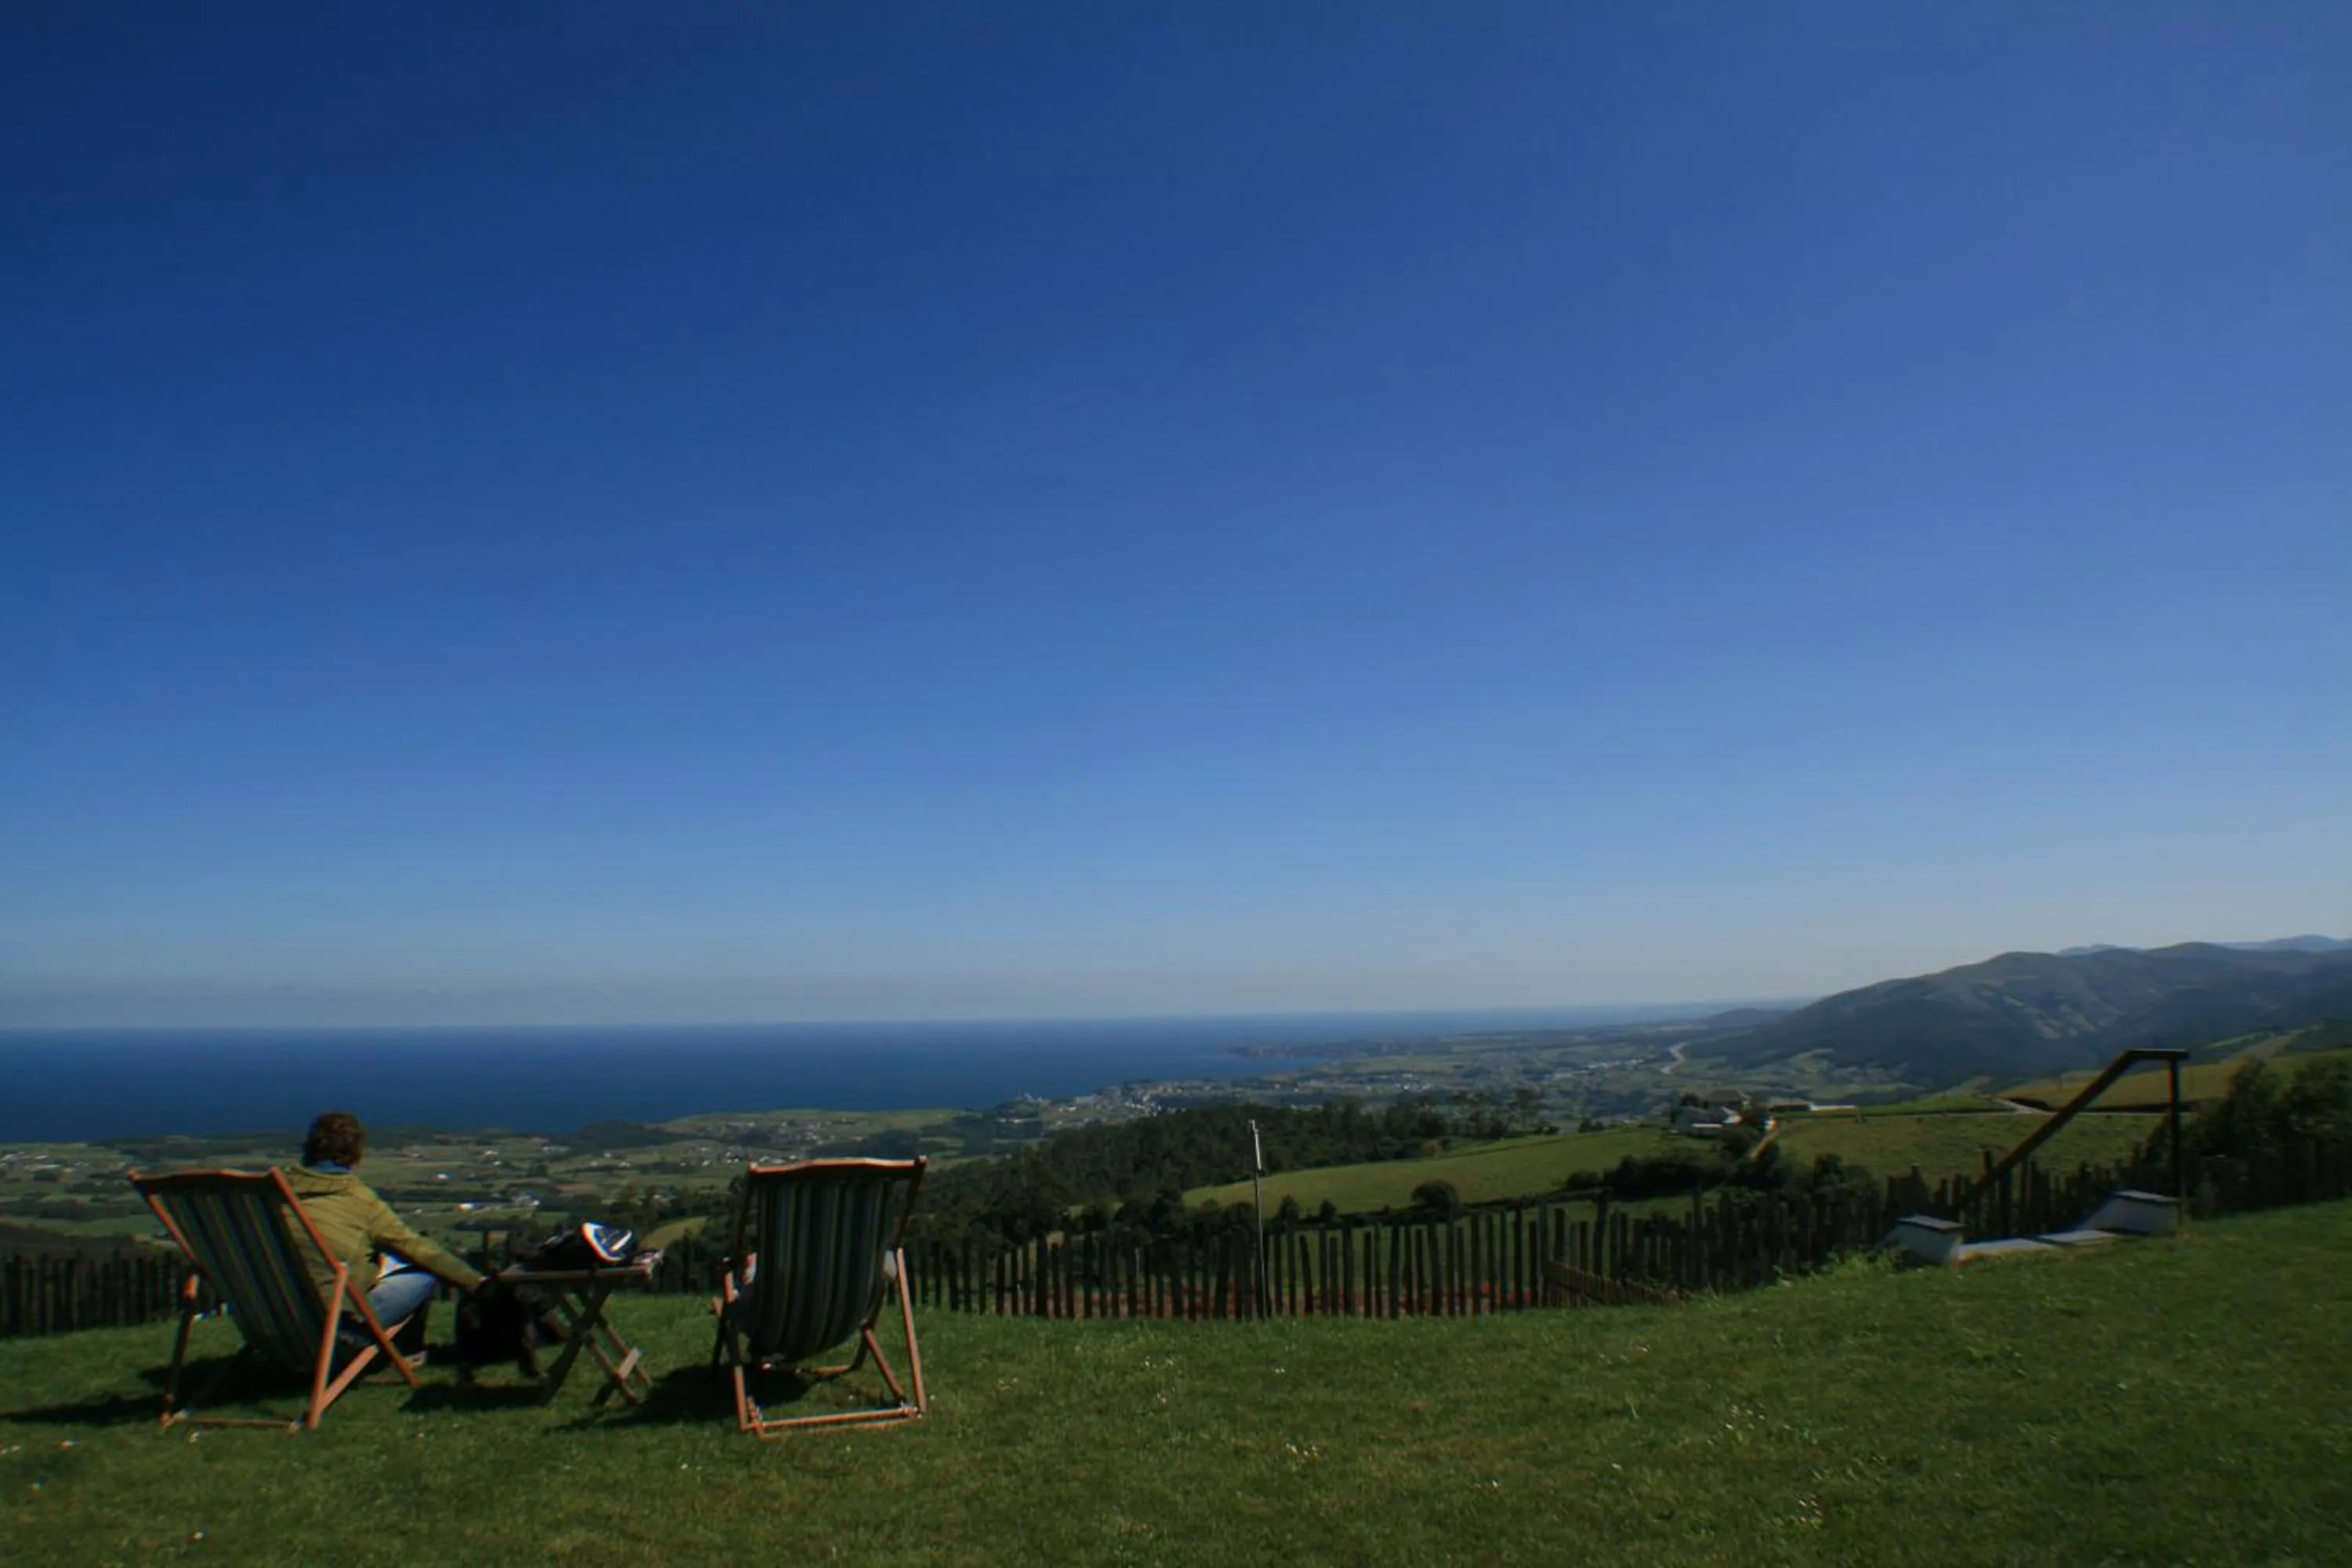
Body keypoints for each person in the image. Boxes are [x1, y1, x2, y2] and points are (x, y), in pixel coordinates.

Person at [286, 1110, 488, 1353]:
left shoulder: (273, 1195)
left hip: (274, 1317)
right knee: (423, 1274)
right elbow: (418, 1249)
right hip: (334, 1326)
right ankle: (407, 1351)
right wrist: (476, 1283)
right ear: (354, 1155)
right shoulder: (357, 1199)